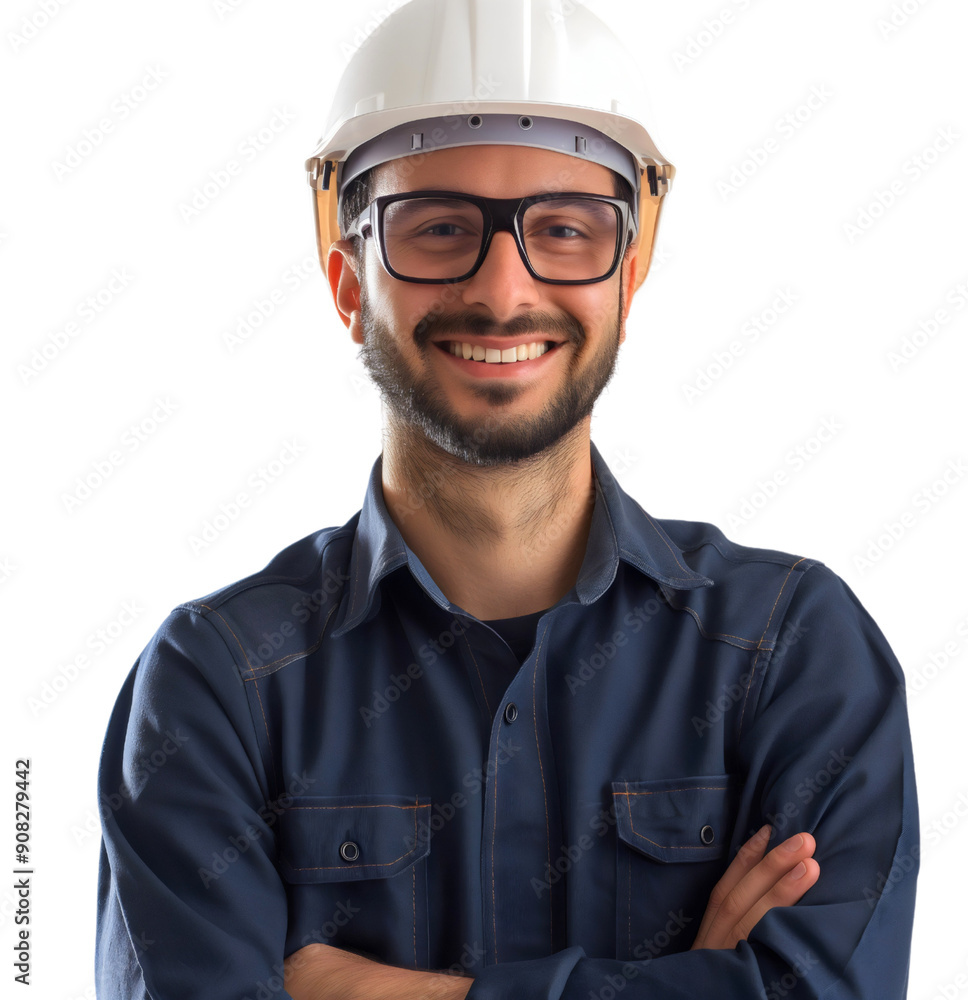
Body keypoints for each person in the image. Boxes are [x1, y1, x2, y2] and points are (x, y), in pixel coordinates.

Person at [95, 1, 918, 997]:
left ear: (628, 272)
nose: (502, 287)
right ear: (348, 278)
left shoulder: (792, 656)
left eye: (565, 229)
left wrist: (383, 991)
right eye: (438, 228)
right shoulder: (214, 688)